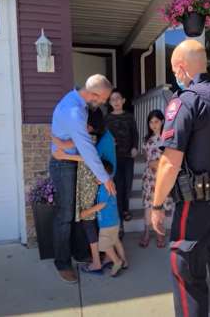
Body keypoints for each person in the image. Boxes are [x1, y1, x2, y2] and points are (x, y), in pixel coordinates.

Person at [151, 40, 210, 317]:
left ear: (180, 67)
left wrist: (156, 206)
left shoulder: (186, 100)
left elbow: (169, 162)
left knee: (185, 266)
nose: (175, 76)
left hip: (195, 201)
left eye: (174, 70)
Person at [49, 74, 116, 284]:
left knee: (79, 212)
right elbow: (85, 147)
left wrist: (67, 144)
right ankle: (62, 263)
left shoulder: (81, 104)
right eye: (104, 99)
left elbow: (76, 140)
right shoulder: (74, 110)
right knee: (66, 215)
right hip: (64, 165)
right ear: (94, 94)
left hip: (74, 161)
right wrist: (105, 178)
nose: (104, 103)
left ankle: (79, 253)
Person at [105, 91, 139, 233]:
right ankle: (120, 216)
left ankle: (126, 209)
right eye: (113, 100)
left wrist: (135, 147)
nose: (116, 101)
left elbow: (135, 134)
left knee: (128, 183)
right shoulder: (107, 119)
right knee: (118, 186)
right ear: (110, 103)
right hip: (114, 158)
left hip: (128, 156)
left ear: (123, 100)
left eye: (118, 98)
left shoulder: (129, 117)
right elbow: (104, 136)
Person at [139, 109, 174, 249]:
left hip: (163, 178)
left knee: (161, 207)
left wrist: (159, 164)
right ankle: (147, 233)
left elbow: (170, 159)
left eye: (156, 121)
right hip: (149, 178)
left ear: (162, 122)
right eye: (151, 122)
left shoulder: (168, 139)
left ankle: (160, 233)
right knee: (148, 207)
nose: (153, 125)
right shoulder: (147, 140)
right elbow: (147, 159)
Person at [96, 159, 128, 277]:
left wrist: (91, 210)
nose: (95, 176)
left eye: (97, 174)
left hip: (107, 222)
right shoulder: (111, 183)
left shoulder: (105, 188)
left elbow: (102, 204)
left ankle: (117, 261)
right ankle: (125, 261)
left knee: (104, 245)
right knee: (116, 241)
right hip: (114, 220)